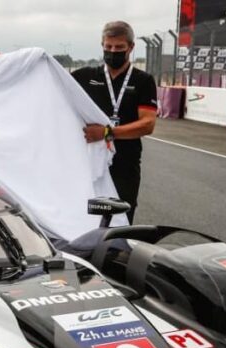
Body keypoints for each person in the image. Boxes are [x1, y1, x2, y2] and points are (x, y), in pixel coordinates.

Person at [74, 20, 158, 225]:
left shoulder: (143, 81)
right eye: (108, 47)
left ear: (131, 47)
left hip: (124, 166)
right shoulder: (85, 76)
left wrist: (106, 133)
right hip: (88, 164)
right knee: (84, 220)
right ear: (102, 45)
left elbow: (147, 124)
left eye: (119, 47)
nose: (113, 51)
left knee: (120, 223)